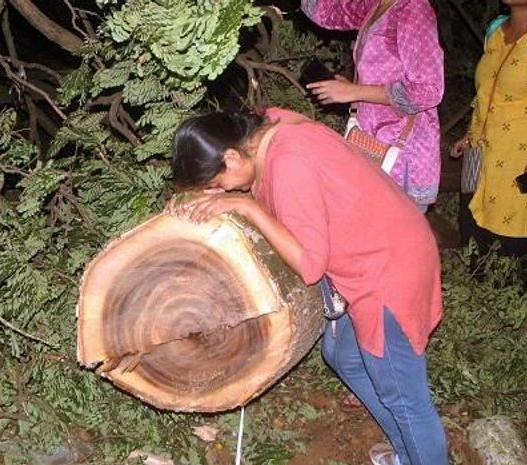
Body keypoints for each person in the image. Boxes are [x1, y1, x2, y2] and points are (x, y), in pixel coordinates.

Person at [168, 107, 448, 465]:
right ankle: (409, 452)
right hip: (379, 248)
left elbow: (310, 266)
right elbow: (282, 116)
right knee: (344, 357)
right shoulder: (270, 129)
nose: (218, 192)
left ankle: (421, 456)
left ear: (232, 156)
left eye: (216, 183)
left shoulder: (288, 164)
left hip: (388, 270)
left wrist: (245, 206)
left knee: (405, 397)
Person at [451, 0, 527, 257]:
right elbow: (485, 91)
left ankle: (506, 292)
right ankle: (474, 288)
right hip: (479, 150)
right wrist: (469, 134)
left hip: (519, 154)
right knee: (470, 225)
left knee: (508, 238)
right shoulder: (495, 30)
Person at [301, 0, 445, 213]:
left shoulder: (413, 8)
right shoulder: (377, 5)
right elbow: (325, 12)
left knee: (392, 241)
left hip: (402, 157)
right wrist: (348, 88)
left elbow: (429, 89)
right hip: (371, 143)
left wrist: (353, 92)